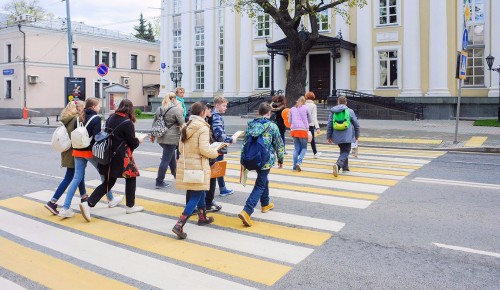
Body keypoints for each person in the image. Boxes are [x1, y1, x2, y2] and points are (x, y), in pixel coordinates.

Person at [79, 99, 145, 222]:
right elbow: (132, 143)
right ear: (130, 109)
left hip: (108, 154)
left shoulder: (111, 117)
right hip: (121, 157)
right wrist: (139, 140)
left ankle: (88, 204)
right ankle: (130, 206)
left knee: (109, 182)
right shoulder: (127, 122)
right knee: (131, 178)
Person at [59, 97, 122, 218]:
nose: (99, 108)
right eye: (98, 106)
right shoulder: (96, 118)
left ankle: (65, 208)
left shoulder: (79, 117)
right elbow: (97, 137)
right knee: (104, 175)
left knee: (76, 179)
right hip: (89, 152)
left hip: (77, 151)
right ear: (93, 107)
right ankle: (111, 200)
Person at [172, 102, 220, 239]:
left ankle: (202, 217)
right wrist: (215, 152)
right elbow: (204, 149)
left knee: (199, 190)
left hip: (188, 164)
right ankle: (179, 224)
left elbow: (180, 148)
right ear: (203, 113)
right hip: (199, 164)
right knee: (196, 195)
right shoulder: (203, 128)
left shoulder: (186, 126)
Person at [238, 102, 284, 227]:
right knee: (260, 184)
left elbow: (244, 142)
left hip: (250, 158)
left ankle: (265, 204)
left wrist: (243, 160)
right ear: (269, 113)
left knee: (263, 181)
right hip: (264, 160)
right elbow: (279, 144)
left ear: (258, 112)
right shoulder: (272, 126)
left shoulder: (251, 125)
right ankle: (247, 210)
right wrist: (281, 159)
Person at [44, 100, 87, 215]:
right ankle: (52, 202)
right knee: (70, 177)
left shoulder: (67, 119)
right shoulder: (76, 119)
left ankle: (84, 197)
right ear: (79, 108)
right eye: (83, 108)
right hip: (74, 151)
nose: (84, 110)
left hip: (67, 151)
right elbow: (79, 135)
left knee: (79, 174)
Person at [151, 92, 185, 189]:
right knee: (166, 159)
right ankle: (159, 181)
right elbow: (182, 123)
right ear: (173, 99)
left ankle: (176, 176)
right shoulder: (176, 109)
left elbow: (154, 123)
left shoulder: (159, 109)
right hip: (171, 138)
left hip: (161, 137)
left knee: (170, 157)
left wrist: (153, 135)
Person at [327, 96, 360, 177]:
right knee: (346, 151)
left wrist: (329, 136)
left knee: (343, 150)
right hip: (348, 135)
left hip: (337, 135)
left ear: (338, 102)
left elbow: (329, 125)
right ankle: (338, 165)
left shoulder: (333, 111)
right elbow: (356, 125)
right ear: (346, 102)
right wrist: (357, 135)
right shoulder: (350, 111)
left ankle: (345, 168)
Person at [211, 96, 235, 196]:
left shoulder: (215, 115)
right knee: (217, 168)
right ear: (217, 105)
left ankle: (222, 188)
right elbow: (218, 134)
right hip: (217, 146)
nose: (226, 108)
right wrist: (230, 139)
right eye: (224, 105)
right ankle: (219, 190)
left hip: (216, 146)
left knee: (218, 167)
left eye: (226, 106)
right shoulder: (216, 116)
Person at [288, 96, 311, 172]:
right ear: (304, 101)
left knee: (296, 148)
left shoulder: (292, 109)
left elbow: (289, 121)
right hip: (303, 130)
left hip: (294, 130)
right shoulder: (306, 108)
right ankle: (299, 162)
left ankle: (294, 166)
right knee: (304, 148)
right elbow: (310, 120)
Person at [305, 91, 322, 158]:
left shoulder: (304, 105)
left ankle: (300, 152)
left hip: (303, 125)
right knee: (312, 140)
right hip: (310, 125)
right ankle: (315, 153)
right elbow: (314, 117)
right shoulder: (313, 106)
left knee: (303, 140)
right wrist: (317, 127)